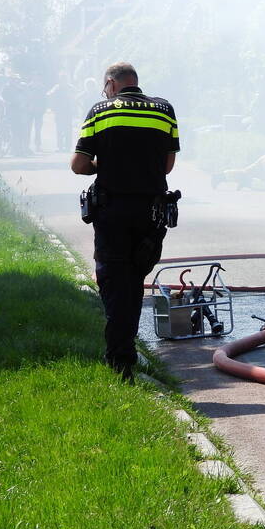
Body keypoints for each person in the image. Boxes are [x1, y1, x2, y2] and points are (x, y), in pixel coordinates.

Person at [71, 62, 179, 382]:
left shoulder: (100, 110)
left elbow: (78, 165)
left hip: (113, 211)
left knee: (114, 283)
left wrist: (101, 167)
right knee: (133, 282)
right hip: (152, 214)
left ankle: (120, 361)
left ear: (110, 84)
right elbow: (168, 166)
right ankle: (124, 353)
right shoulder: (164, 109)